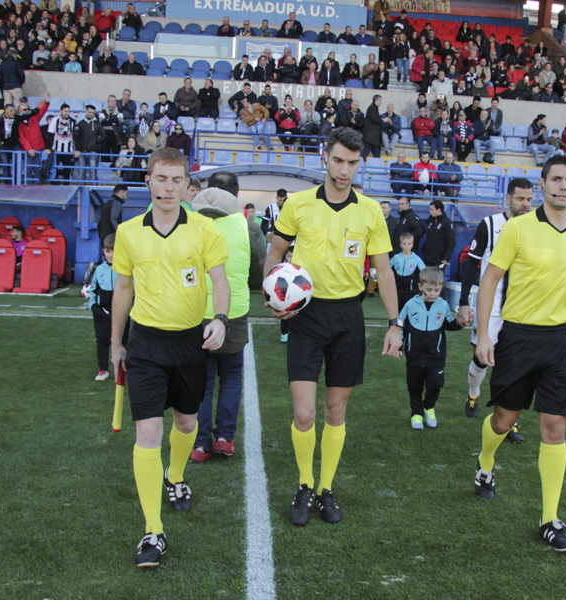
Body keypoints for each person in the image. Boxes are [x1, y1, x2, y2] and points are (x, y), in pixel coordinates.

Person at [262, 127, 402, 527]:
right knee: (304, 413)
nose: (344, 170)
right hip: (305, 315)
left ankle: (325, 488)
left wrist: (395, 323)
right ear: (325, 157)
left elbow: (383, 271)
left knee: (335, 408)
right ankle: (304, 484)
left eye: (353, 163)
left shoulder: (370, 210)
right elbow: (274, 253)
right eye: (338, 160)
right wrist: (273, 295)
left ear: (361, 163)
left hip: (348, 317)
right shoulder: (300, 204)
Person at [108, 148, 230, 568]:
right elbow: (122, 289)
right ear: (148, 181)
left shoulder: (203, 230)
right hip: (145, 345)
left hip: (190, 343)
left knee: (186, 422)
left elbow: (220, 279)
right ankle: (153, 530)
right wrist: (115, 342)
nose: (168, 187)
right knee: (147, 435)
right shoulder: (128, 232)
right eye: (161, 179)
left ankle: (175, 477)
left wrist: (220, 318)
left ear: (187, 184)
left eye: (177, 180)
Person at [472, 157, 566, 551]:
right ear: (543, 184)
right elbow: (490, 278)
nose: (562, 185)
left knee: (555, 427)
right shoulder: (517, 228)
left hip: (562, 342)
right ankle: (485, 464)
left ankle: (549, 519)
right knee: (505, 419)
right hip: (519, 337)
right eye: (555, 179)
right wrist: (483, 336)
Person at [189, 175, 266, 463]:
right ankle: (224, 437)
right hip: (234, 310)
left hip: (196, 311)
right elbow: (258, 269)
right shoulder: (248, 226)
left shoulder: (191, 221)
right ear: (235, 194)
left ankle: (200, 442)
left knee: (203, 379)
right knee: (231, 375)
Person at [456, 178, 533, 441]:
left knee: (514, 367)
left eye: (529, 199)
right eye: (520, 199)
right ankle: (473, 394)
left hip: (522, 311)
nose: (525, 204)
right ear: (508, 198)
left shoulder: (535, 228)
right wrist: (465, 301)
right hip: (493, 309)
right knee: (482, 360)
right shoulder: (490, 225)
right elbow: (471, 265)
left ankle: (508, 420)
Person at [401, 266, 464, 429]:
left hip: (436, 356)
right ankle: (416, 414)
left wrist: (459, 323)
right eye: (429, 289)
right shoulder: (410, 304)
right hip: (414, 356)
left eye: (437, 289)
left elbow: (448, 324)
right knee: (414, 386)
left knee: (436, 383)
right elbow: (400, 325)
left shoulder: (443, 305)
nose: (433, 293)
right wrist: (400, 345)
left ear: (441, 288)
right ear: (420, 287)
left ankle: (429, 407)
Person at [84, 234, 127, 381]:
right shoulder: (99, 270)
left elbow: (131, 290)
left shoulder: (126, 269)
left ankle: (123, 368)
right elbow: (93, 290)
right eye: (107, 251)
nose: (110, 254)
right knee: (102, 340)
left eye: (114, 251)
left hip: (121, 313)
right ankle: (103, 370)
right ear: (103, 251)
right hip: (102, 313)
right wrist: (94, 307)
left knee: (124, 338)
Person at [390, 231, 425, 311]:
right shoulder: (396, 258)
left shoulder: (416, 259)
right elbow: (388, 269)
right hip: (397, 290)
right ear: (400, 244)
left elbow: (424, 272)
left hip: (411, 291)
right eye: (404, 244)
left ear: (412, 245)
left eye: (409, 244)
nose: (406, 246)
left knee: (410, 311)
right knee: (397, 310)